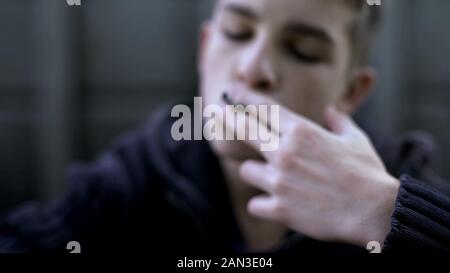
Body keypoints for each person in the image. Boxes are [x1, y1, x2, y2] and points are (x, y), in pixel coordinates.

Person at [0, 0, 449, 254]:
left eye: (303, 51)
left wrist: (383, 212)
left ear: (351, 92)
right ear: (204, 48)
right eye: (237, 32)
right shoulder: (144, 167)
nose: (253, 70)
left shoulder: (397, 174)